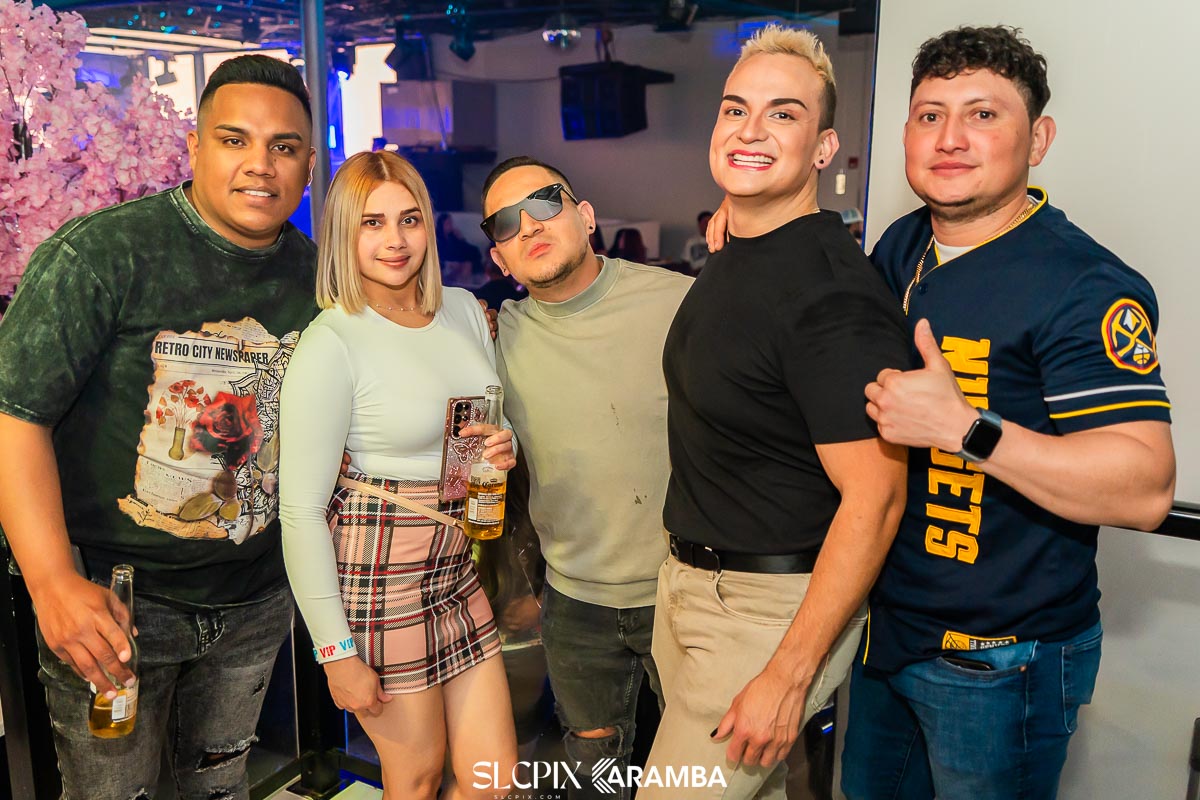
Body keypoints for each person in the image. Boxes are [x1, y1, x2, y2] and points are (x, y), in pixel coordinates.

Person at [840, 26, 1176, 800]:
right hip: (888, 631)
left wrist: (965, 430)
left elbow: (1145, 488)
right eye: (930, 116)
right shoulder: (902, 245)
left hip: (998, 662)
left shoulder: (1082, 284)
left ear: (1039, 139)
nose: (950, 138)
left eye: (983, 115)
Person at [0, 54, 317, 799]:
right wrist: (52, 582)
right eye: (234, 140)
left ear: (308, 164)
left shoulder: (316, 273)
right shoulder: (102, 254)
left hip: (255, 599)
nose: (260, 165)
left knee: (220, 788)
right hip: (119, 609)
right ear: (195, 147)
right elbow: (14, 415)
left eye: (284, 146)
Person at [641, 25, 910, 800]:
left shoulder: (831, 296)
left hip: (764, 617)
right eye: (736, 109)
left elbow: (878, 497)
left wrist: (789, 674)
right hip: (693, 588)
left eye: (783, 114)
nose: (750, 130)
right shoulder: (743, 250)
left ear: (824, 149)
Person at [279, 151, 518, 800]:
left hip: (456, 566)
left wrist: (504, 447)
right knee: (415, 778)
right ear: (343, 233)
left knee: (493, 780)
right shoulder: (332, 342)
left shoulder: (464, 310)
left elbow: (483, 429)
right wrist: (335, 653)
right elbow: (300, 512)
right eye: (372, 222)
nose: (395, 240)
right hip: (379, 572)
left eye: (409, 219)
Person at [480, 156, 693, 798]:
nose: (529, 226)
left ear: (587, 216)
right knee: (593, 776)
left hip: (683, 592)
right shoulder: (496, 339)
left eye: (545, 202)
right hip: (573, 604)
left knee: (702, 772)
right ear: (499, 259)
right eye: (506, 223)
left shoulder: (677, 302)